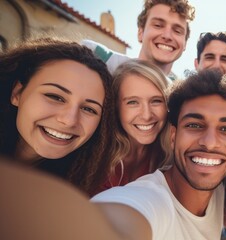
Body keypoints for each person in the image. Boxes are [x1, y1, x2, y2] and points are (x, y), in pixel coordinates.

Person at [92, 70, 226, 239]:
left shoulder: (223, 192)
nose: (209, 143)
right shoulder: (150, 201)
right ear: (173, 136)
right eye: (194, 125)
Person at [0, 37, 114, 195]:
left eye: (89, 109)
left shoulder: (82, 193)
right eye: (55, 97)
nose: (69, 121)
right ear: (17, 93)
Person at [96, 59, 171, 194]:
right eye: (133, 102)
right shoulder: (96, 155)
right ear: (116, 107)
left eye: (156, 101)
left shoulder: (167, 156)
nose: (146, 115)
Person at [82, 0, 195, 80]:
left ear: (185, 43)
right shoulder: (101, 60)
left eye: (177, 31)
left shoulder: (182, 97)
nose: (167, 35)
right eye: (158, 25)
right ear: (140, 33)